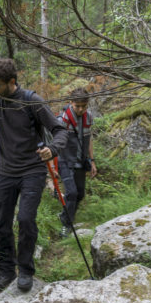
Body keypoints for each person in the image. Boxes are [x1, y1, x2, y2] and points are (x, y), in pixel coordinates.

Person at [0, 58, 68, 292]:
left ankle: (26, 270)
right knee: (1, 223)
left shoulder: (32, 101)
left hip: (32, 170)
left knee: (26, 220)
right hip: (7, 172)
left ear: (12, 82)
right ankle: (6, 269)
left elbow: (60, 130)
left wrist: (53, 149)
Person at [56, 88, 97, 237]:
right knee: (72, 193)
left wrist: (92, 161)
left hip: (81, 161)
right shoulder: (62, 120)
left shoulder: (89, 117)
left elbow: (89, 139)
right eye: (77, 106)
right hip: (65, 160)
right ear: (71, 102)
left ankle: (64, 214)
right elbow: (55, 142)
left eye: (83, 106)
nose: (80, 109)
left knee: (79, 194)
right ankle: (67, 225)